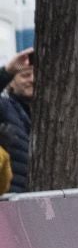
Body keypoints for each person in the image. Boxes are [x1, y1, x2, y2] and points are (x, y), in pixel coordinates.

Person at [0, 52, 34, 194]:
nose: (33, 79)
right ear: (11, 82)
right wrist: (7, 72)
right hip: (10, 206)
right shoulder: (4, 107)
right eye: (25, 75)